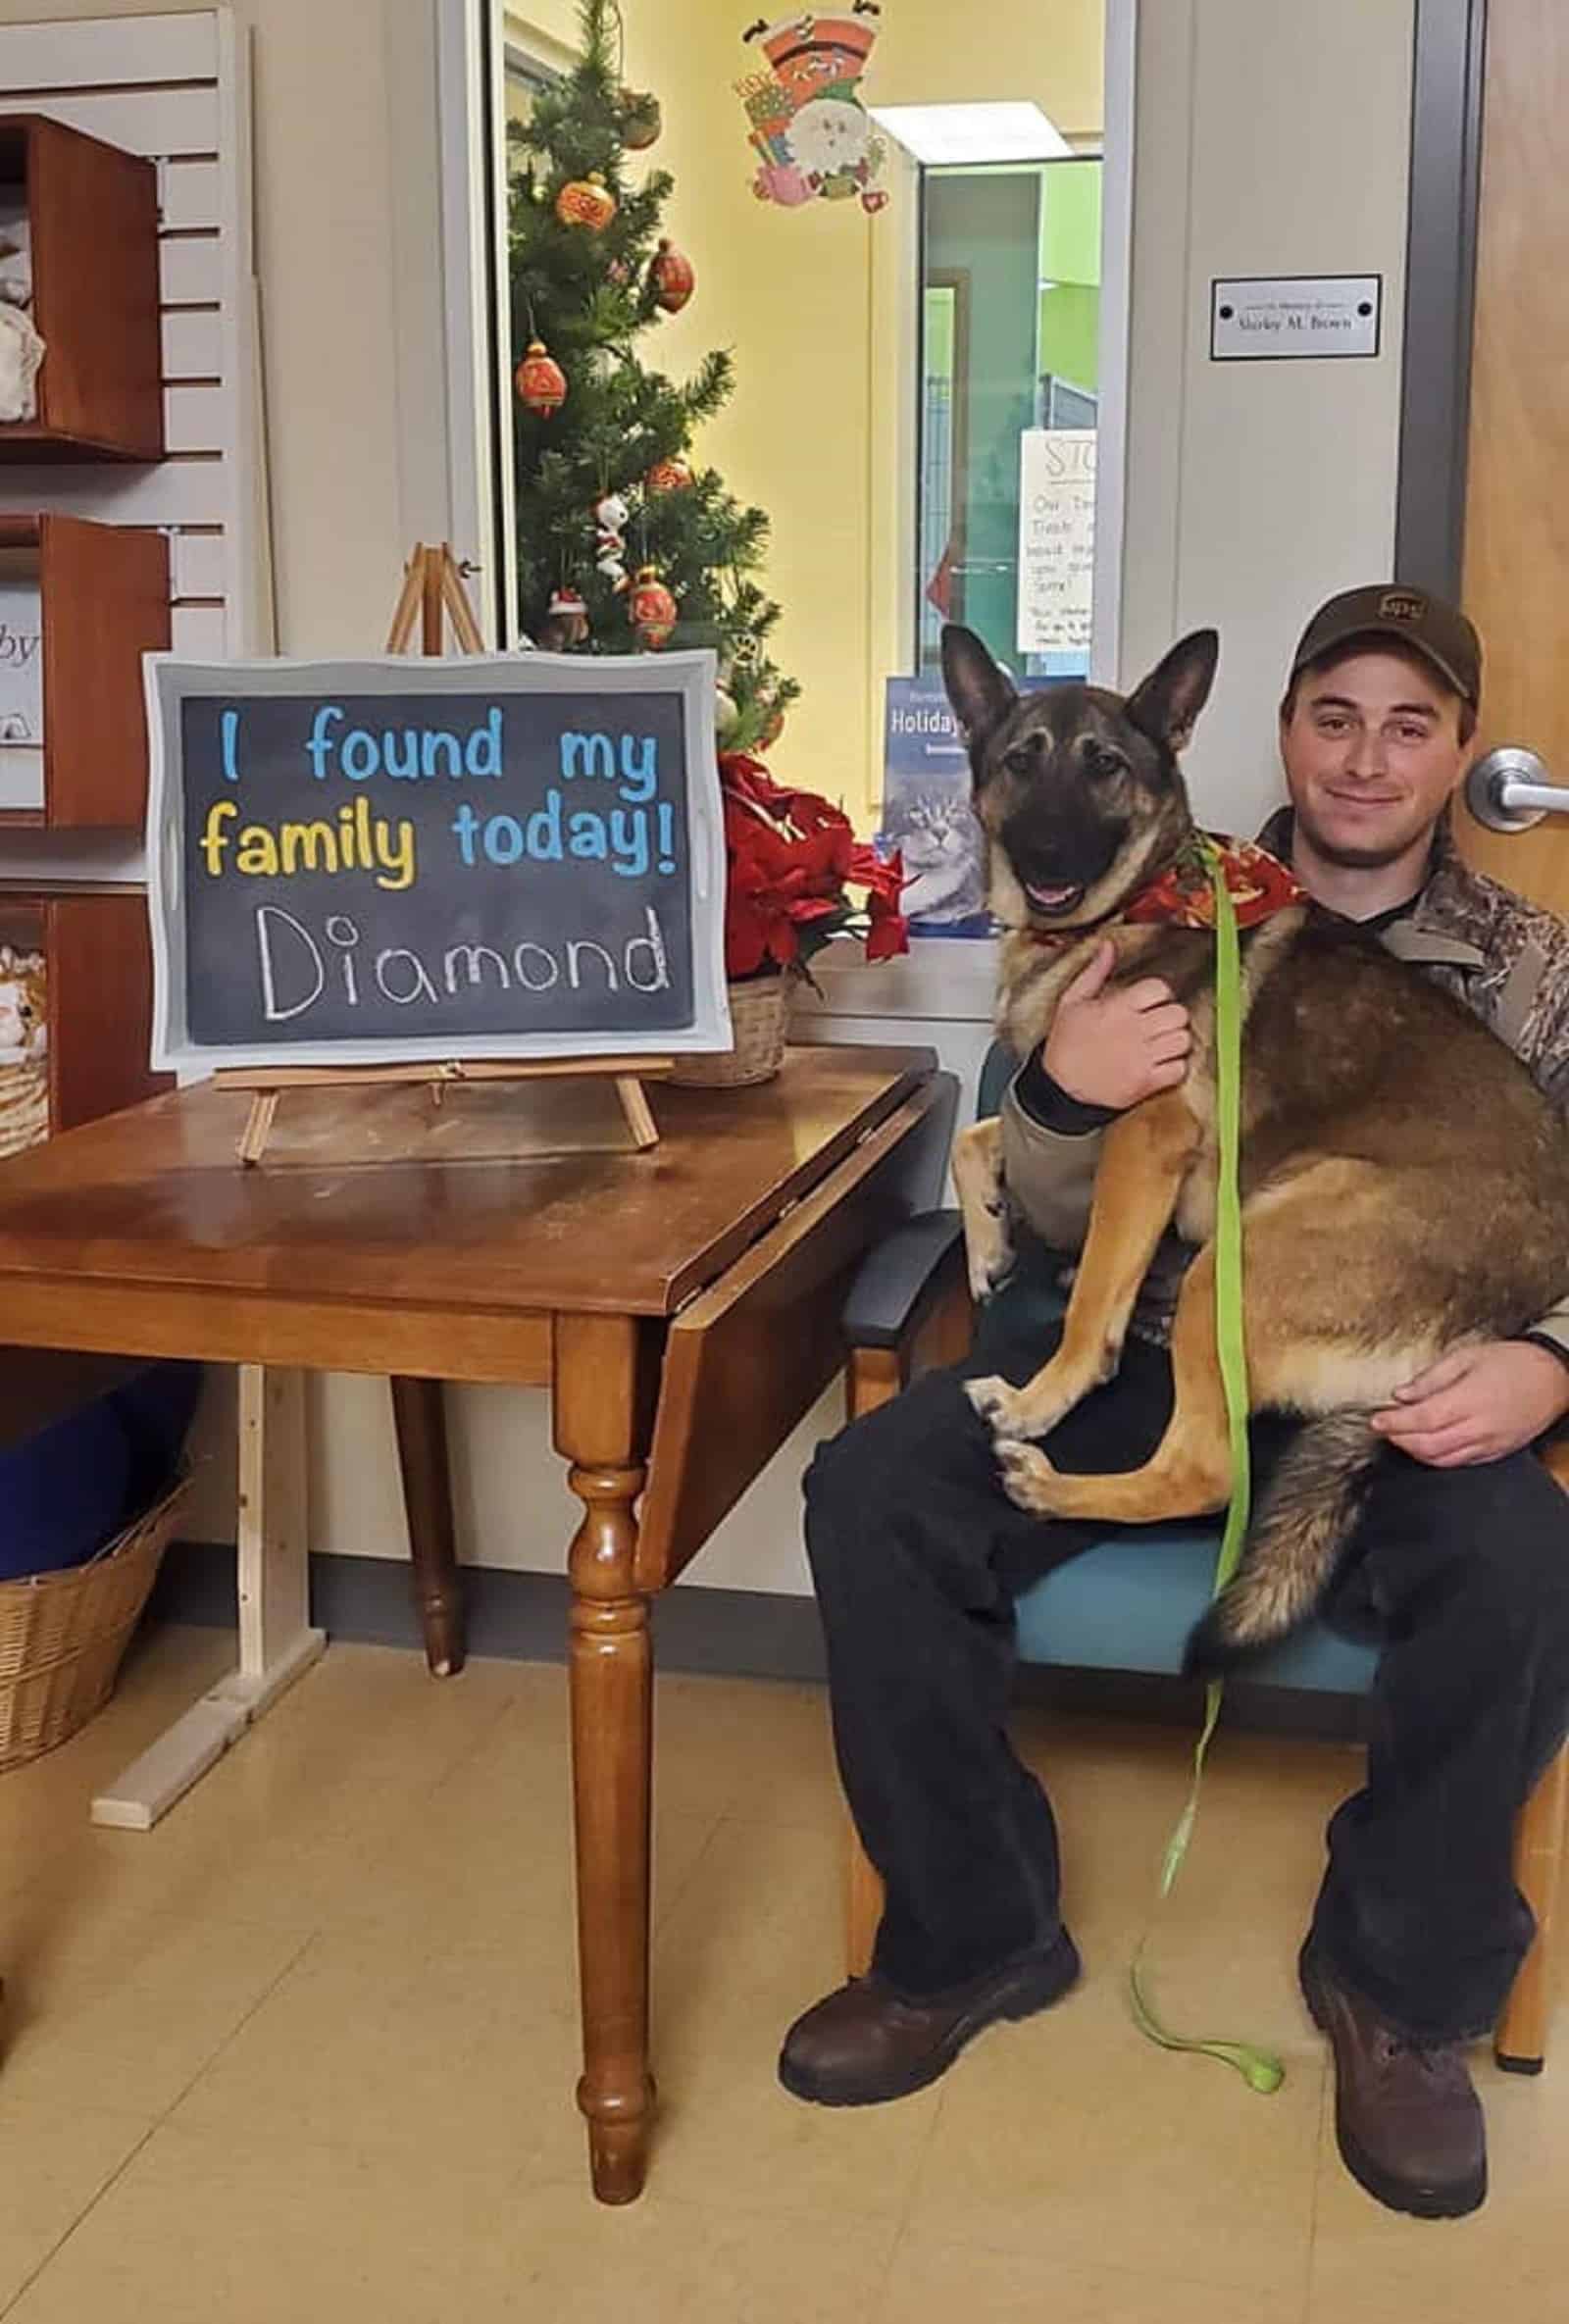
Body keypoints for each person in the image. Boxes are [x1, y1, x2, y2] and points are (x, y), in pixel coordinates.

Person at [779, 585, 1569, 2222]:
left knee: (1521, 1560)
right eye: (1336, 716)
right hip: (1133, 1335)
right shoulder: (1149, 916)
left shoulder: (1531, 967)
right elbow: (1056, 1217)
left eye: (1409, 724)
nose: (1366, 758)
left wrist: (1550, 1358)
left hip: (1399, 1344)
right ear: (1279, 733)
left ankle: (1403, 1989)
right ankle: (969, 1933)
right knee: (873, 1493)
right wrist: (1065, 1086)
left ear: (1459, 753)